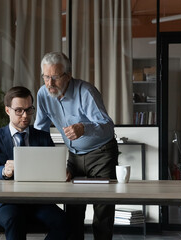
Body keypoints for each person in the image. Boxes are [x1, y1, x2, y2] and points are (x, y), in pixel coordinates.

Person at [34, 52, 119, 240]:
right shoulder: (43, 94)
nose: (50, 83)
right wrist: (49, 163)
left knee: (102, 211)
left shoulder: (86, 92)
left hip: (101, 154)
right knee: (73, 210)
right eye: (46, 77)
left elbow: (107, 126)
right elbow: (40, 131)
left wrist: (84, 128)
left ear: (68, 75)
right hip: (73, 156)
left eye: (55, 77)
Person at [0, 86, 68, 240]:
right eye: (19, 110)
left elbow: (53, 167)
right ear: (8, 110)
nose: (25, 115)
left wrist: (62, 171)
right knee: (15, 219)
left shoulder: (43, 137)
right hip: (5, 203)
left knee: (64, 221)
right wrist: (4, 171)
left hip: (37, 200)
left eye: (29, 110)